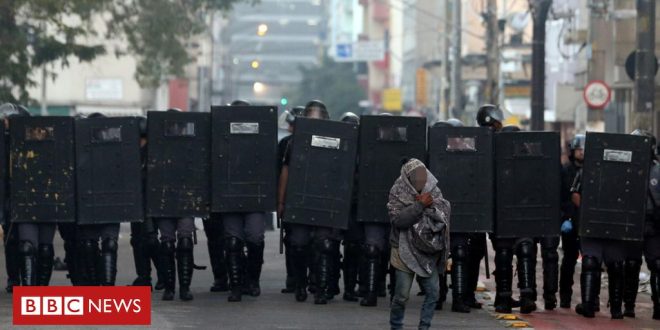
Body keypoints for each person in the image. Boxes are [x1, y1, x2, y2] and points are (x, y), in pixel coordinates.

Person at [278, 100, 341, 304]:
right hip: (300, 200)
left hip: (325, 200)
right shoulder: (293, 142)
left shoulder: (335, 139)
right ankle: (299, 284)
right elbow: (286, 172)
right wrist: (281, 202)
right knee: (298, 244)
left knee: (323, 244)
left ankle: (320, 290)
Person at [388, 158, 450, 330]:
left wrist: (431, 207)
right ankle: (396, 326)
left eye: (423, 175)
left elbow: (443, 213)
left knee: (433, 292)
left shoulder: (433, 191)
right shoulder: (397, 192)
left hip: (427, 250)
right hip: (402, 248)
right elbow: (399, 221)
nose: (421, 180)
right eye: (416, 176)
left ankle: (424, 326)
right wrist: (419, 205)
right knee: (401, 295)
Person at [130, 115, 164, 290]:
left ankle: (163, 274)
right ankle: (144, 277)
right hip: (137, 202)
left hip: (150, 202)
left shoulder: (152, 152)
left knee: (150, 239)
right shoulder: (131, 152)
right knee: (137, 240)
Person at [278, 106, 305, 294]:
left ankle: (305, 279)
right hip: (291, 199)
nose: (289, 127)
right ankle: (293, 278)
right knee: (292, 241)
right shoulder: (285, 144)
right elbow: (280, 172)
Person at [558, 134, 585, 308]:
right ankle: (565, 297)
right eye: (579, 149)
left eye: (584, 150)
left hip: (586, 222)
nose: (582, 153)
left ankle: (590, 298)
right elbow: (561, 196)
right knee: (569, 259)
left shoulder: (592, 170)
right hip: (570, 220)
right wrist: (566, 217)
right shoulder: (565, 170)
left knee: (590, 261)